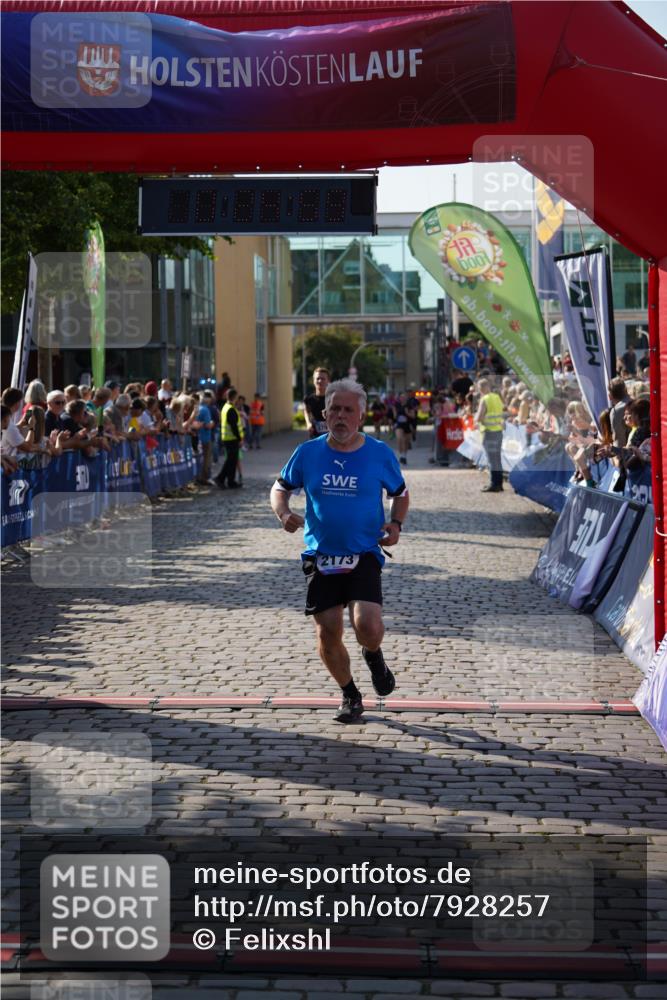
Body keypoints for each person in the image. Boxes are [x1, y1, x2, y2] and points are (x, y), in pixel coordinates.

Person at [270, 378, 409, 724]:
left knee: (368, 625)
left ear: (361, 416)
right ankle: (350, 693)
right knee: (328, 630)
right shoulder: (308, 453)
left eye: (348, 410)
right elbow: (280, 487)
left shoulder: (378, 453)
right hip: (322, 556)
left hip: (363, 552)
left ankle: (373, 655)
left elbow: (400, 493)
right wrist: (284, 513)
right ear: (325, 414)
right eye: (334, 410)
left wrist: (396, 524)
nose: (341, 417)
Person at [475, 377, 505, 492]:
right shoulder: (497, 397)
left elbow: (480, 417)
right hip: (498, 431)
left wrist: (476, 418)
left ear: (482, 388)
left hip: (489, 432)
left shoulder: (485, 399)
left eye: (479, 388)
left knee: (491, 459)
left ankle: (494, 484)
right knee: (497, 458)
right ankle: (499, 483)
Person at [215, 387, 243, 489]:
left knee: (232, 461)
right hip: (231, 439)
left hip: (228, 438)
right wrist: (239, 438)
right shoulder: (230, 409)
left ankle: (228, 480)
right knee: (231, 461)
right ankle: (223, 479)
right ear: (234, 397)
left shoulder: (226, 407)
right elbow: (233, 426)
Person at [303, 368, 330, 438]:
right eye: (317, 378)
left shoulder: (333, 399)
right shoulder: (308, 399)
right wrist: (308, 424)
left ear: (328, 381)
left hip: (331, 436)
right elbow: (306, 412)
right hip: (315, 436)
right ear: (314, 381)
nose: (320, 381)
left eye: (323, 379)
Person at [393, 391, 415, 465]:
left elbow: (413, 416)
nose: (402, 398)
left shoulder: (409, 405)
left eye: (404, 397)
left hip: (407, 425)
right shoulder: (397, 405)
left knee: (406, 441)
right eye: (401, 397)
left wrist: (407, 413)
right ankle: (401, 455)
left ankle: (404, 457)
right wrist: (395, 412)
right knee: (399, 439)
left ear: (406, 398)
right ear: (399, 398)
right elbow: (395, 416)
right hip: (399, 424)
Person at [608, 377, 630, 447]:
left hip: (631, 454)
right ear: (626, 390)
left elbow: (620, 441)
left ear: (610, 396)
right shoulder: (639, 402)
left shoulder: (616, 411)